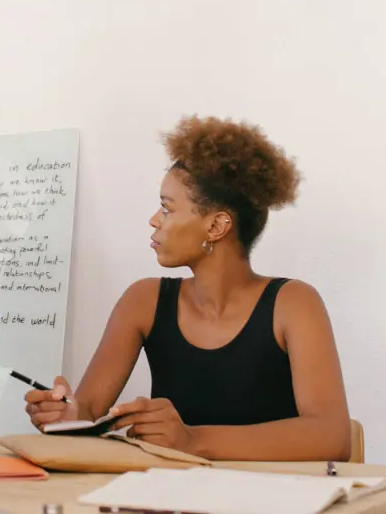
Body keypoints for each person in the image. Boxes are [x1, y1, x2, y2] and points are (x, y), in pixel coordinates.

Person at [25, 116, 351, 462]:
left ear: (216, 225)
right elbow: (88, 409)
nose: (154, 219)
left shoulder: (294, 304)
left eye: (167, 207)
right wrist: (65, 415)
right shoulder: (143, 301)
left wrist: (192, 440)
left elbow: (332, 437)